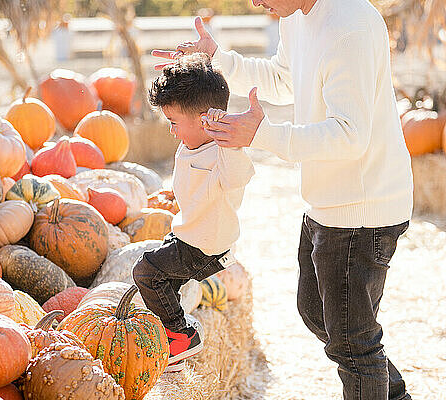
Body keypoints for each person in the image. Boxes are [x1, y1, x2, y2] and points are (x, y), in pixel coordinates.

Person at [152, 0, 413, 398]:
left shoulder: (351, 26)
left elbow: (349, 134)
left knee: (353, 343)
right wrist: (217, 59)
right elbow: (282, 79)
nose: (255, 2)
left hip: (363, 208)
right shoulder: (296, 17)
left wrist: (263, 134)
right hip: (328, 200)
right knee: (317, 314)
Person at [132, 53, 255, 373]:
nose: (171, 131)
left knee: (146, 272)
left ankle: (183, 336)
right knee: (165, 281)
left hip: (207, 244)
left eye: (173, 122)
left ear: (206, 120)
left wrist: (231, 140)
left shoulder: (224, 150)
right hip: (191, 233)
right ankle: (174, 339)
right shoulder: (191, 142)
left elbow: (237, 178)